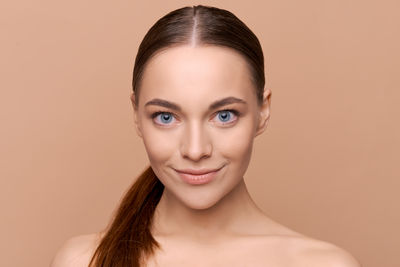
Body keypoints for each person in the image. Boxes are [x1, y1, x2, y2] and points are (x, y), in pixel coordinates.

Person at [51, 5, 361, 267]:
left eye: (224, 115)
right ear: (136, 115)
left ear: (262, 110)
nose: (196, 150)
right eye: (166, 117)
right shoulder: (83, 261)